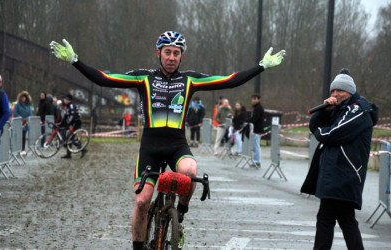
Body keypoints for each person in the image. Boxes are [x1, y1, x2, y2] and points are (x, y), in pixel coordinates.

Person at [50, 31, 285, 249]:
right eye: (167, 52)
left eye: (176, 53)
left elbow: (229, 80)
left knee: (191, 170)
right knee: (142, 203)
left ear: (181, 56)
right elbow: (104, 79)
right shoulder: (143, 78)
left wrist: (261, 66)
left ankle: (180, 214)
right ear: (158, 53)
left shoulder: (190, 80)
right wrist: (75, 61)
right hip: (150, 148)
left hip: (176, 145)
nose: (171, 57)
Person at [301, 69, 378, 250]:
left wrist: (320, 132)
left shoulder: (358, 110)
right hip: (335, 173)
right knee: (345, 219)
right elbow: (315, 124)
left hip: (344, 173)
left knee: (326, 219)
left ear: (350, 91)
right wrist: (325, 111)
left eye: (340, 91)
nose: (336, 94)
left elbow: (332, 134)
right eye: (333, 91)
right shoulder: (340, 109)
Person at [59, 94, 87, 159]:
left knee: (70, 137)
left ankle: (82, 150)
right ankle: (71, 153)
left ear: (69, 100)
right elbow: (65, 116)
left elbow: (72, 116)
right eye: (64, 99)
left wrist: (68, 124)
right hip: (73, 123)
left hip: (76, 123)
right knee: (71, 138)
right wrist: (61, 124)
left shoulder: (71, 105)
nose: (64, 100)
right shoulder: (67, 106)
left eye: (66, 99)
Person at [246, 93, 265, 167]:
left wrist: (247, 120)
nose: (253, 100)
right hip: (256, 129)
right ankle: (255, 160)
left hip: (257, 129)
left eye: (255, 99)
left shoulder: (258, 108)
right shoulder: (256, 108)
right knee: (255, 146)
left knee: (256, 146)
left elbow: (255, 118)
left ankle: (257, 161)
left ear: (258, 99)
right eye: (252, 99)